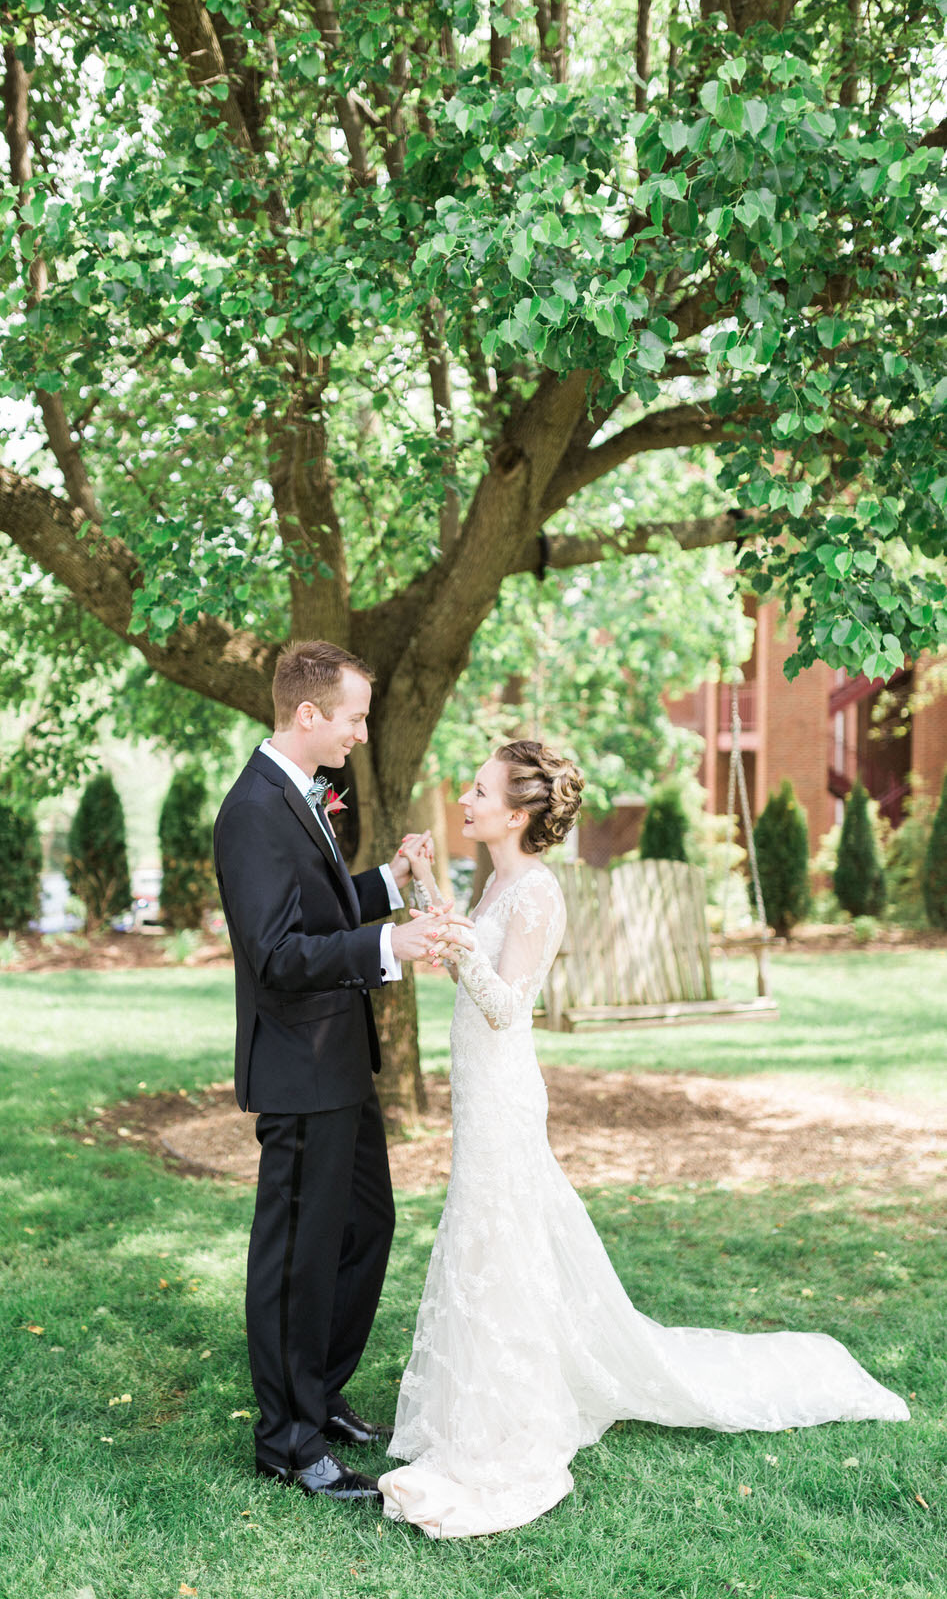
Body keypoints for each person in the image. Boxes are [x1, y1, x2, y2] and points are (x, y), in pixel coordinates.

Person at [378, 739, 910, 1538]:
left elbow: (506, 1006)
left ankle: (508, 1419)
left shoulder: (536, 893)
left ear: (516, 813)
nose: (466, 798)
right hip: (479, 1089)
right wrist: (424, 885)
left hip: (504, 1089)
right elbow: (465, 967)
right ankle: (486, 1392)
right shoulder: (495, 881)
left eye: (480, 791)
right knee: (489, 1239)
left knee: (502, 1237)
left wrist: (454, 942)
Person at [213, 640, 463, 1503]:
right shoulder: (251, 810)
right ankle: (288, 1442)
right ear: (308, 714)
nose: (362, 731)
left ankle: (318, 1395)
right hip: (297, 1066)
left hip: (341, 1062)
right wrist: (389, 945)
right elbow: (277, 954)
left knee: (365, 1226)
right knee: (297, 1256)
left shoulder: (303, 795)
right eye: (354, 716)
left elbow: (315, 909)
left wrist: (388, 884)